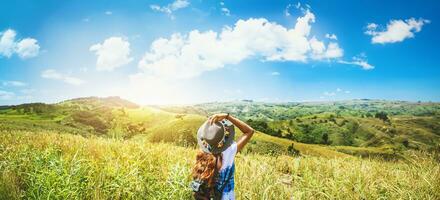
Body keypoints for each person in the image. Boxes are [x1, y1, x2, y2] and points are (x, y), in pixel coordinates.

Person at [191, 113, 255, 200]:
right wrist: (227, 116)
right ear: (224, 137)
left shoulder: (201, 156)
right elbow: (249, 131)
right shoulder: (229, 152)